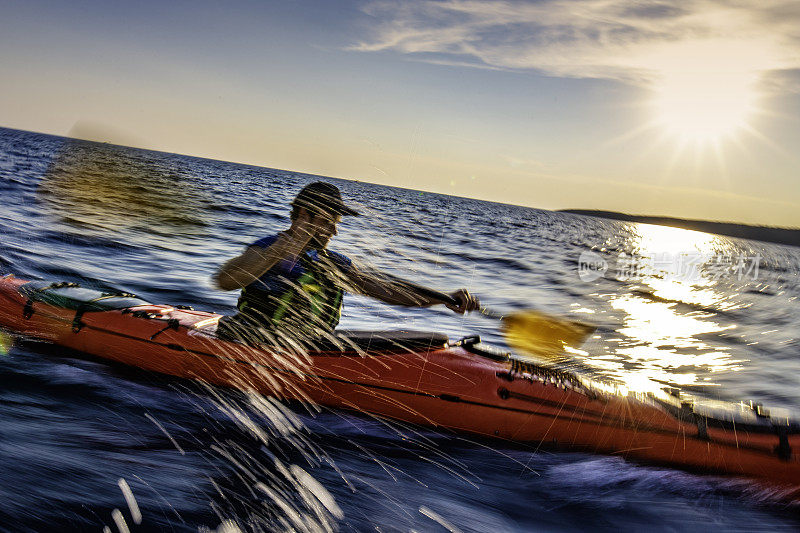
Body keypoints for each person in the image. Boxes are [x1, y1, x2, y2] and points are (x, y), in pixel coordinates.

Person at [213, 181, 479, 346]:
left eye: (335, 224)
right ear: (304, 215)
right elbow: (224, 280)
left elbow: (386, 289)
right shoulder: (267, 248)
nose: (334, 232)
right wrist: (283, 248)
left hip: (311, 348)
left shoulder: (334, 263)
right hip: (257, 343)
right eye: (328, 222)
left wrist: (443, 298)